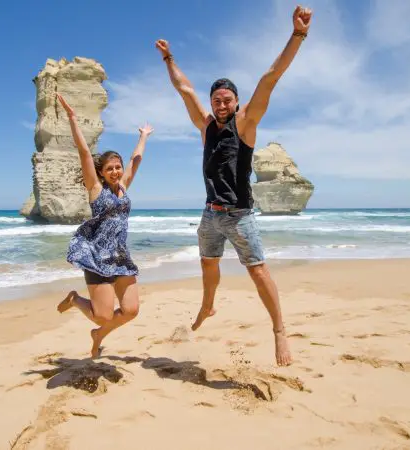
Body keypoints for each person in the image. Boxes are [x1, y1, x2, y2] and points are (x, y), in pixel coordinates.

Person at [155, 5, 312, 366]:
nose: (221, 103)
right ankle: (208, 306)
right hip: (210, 214)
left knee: (257, 271)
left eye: (227, 99)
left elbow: (271, 77)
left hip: (240, 215)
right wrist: (169, 58)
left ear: (237, 102)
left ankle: (279, 331)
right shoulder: (206, 126)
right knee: (208, 265)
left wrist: (298, 35)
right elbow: (184, 89)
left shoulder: (246, 125)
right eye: (216, 99)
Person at [54, 93, 154, 358]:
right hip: (97, 258)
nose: (115, 171)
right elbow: (84, 152)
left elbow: (136, 160)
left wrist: (144, 136)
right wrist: (73, 118)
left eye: (117, 167)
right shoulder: (96, 188)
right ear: (101, 171)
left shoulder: (123, 186)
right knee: (103, 315)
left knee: (131, 310)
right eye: (109, 168)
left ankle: (99, 336)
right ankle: (76, 300)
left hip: (120, 258)